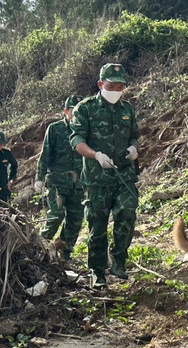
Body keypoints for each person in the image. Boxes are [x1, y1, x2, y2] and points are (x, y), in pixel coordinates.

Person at [70, 63, 139, 288]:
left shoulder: (127, 109)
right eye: (112, 85)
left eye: (120, 86)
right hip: (96, 180)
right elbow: (77, 140)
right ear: (101, 84)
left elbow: (134, 136)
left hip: (123, 177)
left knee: (128, 212)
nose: (116, 90)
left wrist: (133, 148)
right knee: (97, 227)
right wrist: (96, 155)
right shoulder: (85, 109)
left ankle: (119, 260)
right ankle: (97, 272)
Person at [34, 95, 85, 259]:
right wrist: (39, 178)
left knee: (75, 219)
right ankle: (39, 248)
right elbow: (45, 154)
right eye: (73, 110)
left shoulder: (85, 130)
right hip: (57, 182)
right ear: (66, 111)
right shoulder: (55, 129)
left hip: (78, 184)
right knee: (56, 215)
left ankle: (64, 253)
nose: (77, 114)